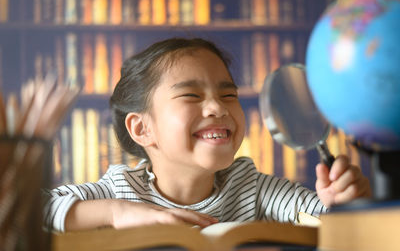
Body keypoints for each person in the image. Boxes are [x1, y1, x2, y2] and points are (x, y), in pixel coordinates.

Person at [44, 37, 371, 232]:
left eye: (229, 95)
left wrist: (344, 204)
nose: (218, 107)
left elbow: (328, 224)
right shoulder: (118, 191)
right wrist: (118, 213)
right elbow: (33, 210)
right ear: (142, 128)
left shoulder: (253, 188)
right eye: (191, 96)